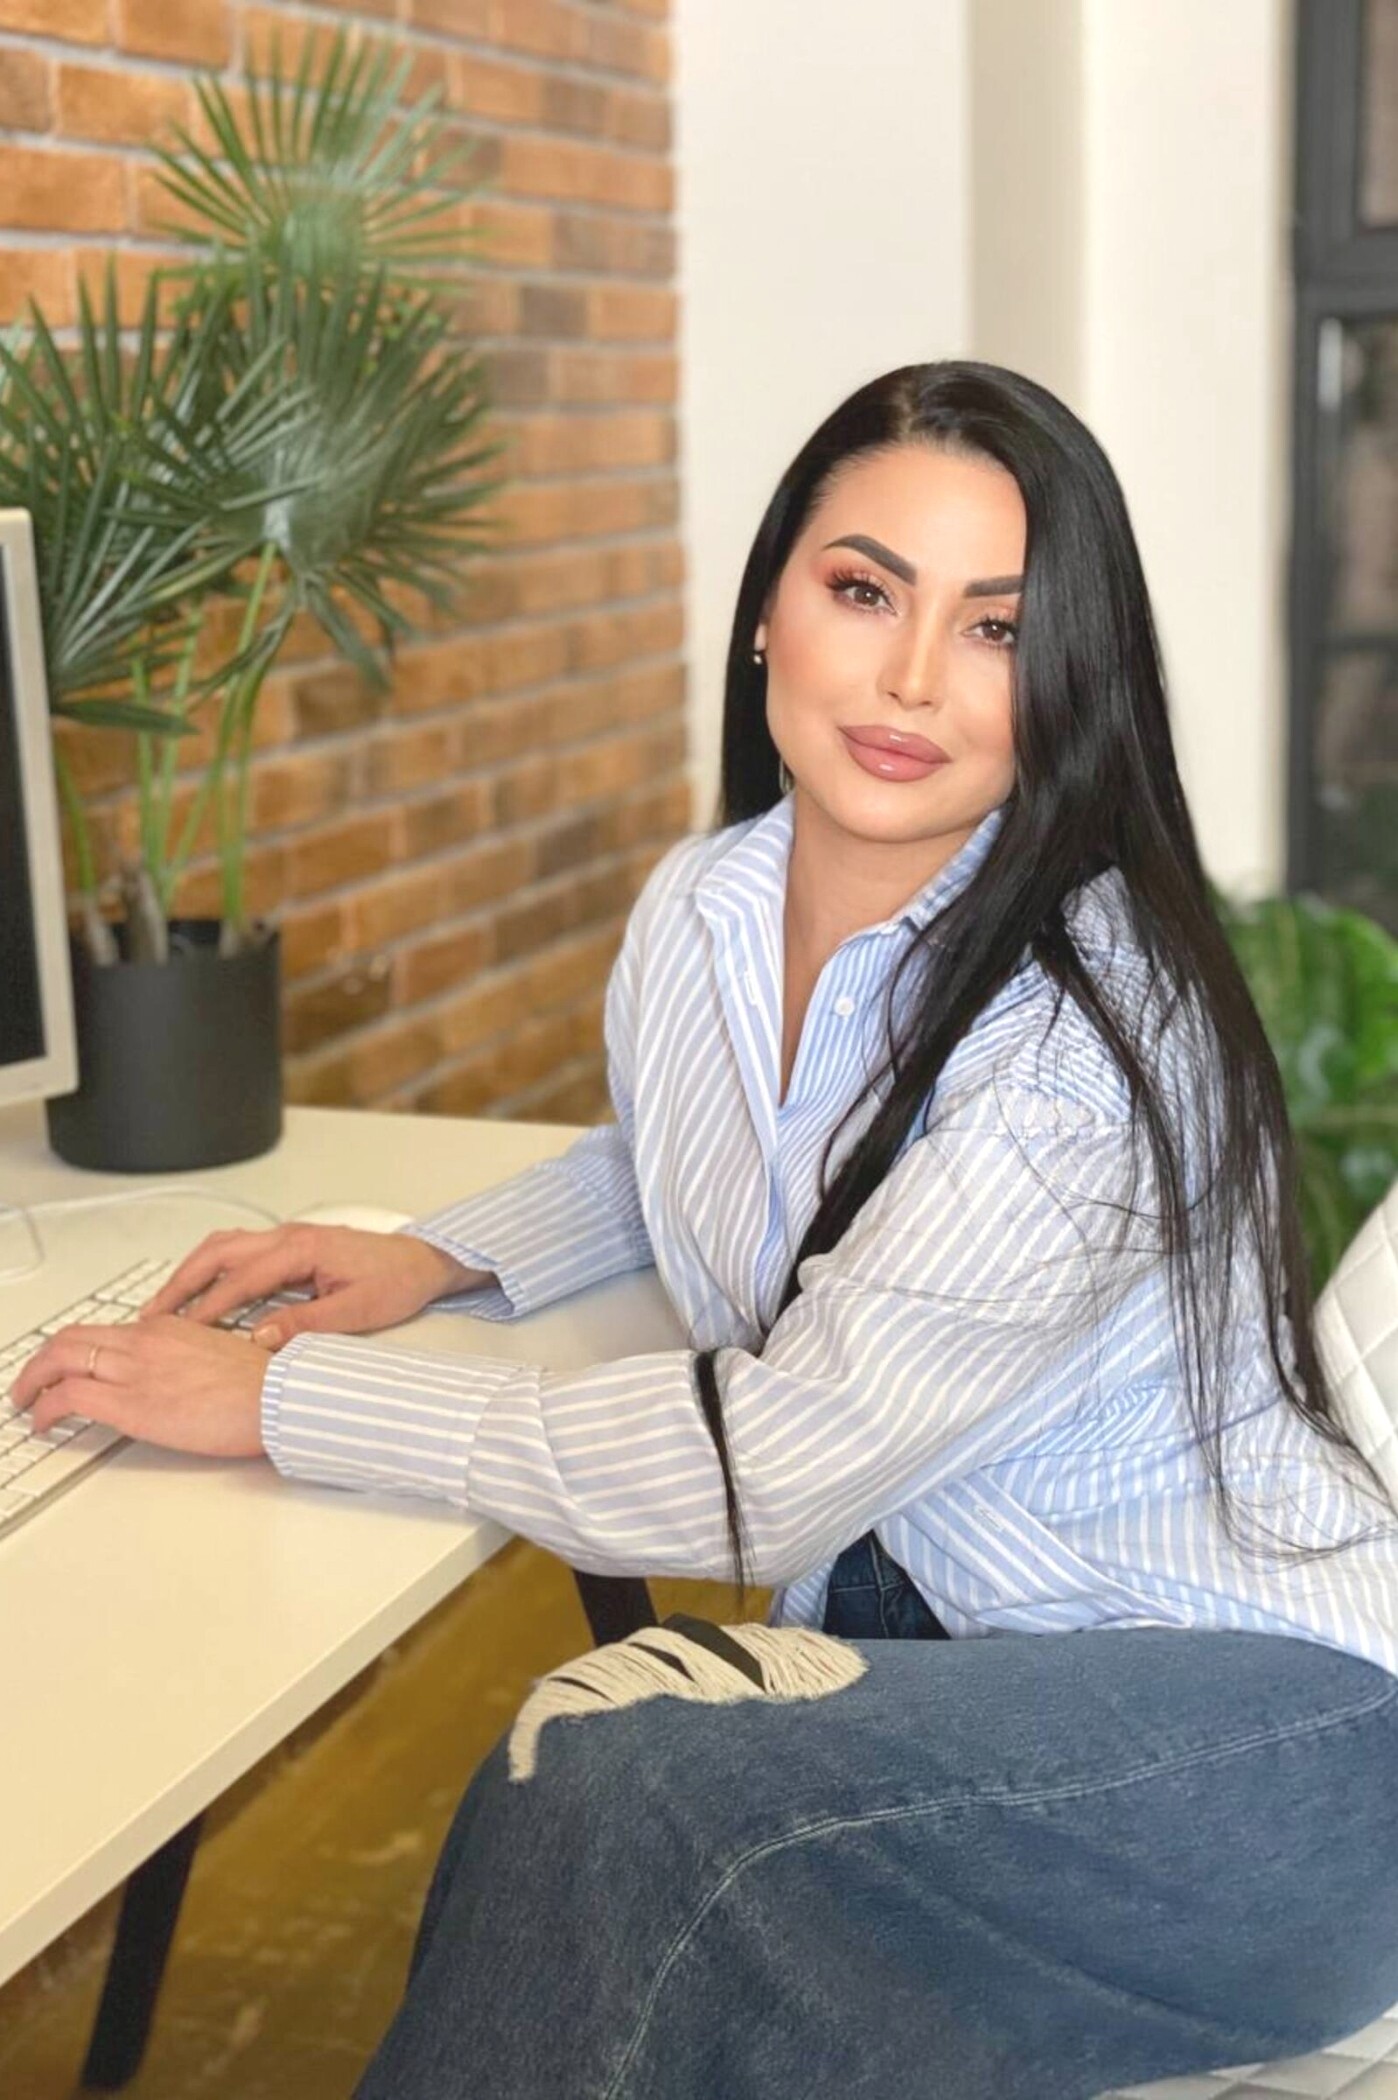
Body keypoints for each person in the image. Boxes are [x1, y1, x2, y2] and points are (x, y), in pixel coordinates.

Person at [14, 360, 1398, 2099]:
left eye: (994, 627)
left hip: (1254, 1747)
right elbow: (688, 1155)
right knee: (635, 1928)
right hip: (954, 1676)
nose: (910, 678)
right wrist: (444, 1256)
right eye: (864, 591)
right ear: (766, 614)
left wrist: (280, 1401)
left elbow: (771, 1472)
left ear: (1069, 681)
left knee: (622, 1797)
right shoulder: (706, 908)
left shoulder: (1082, 1050)